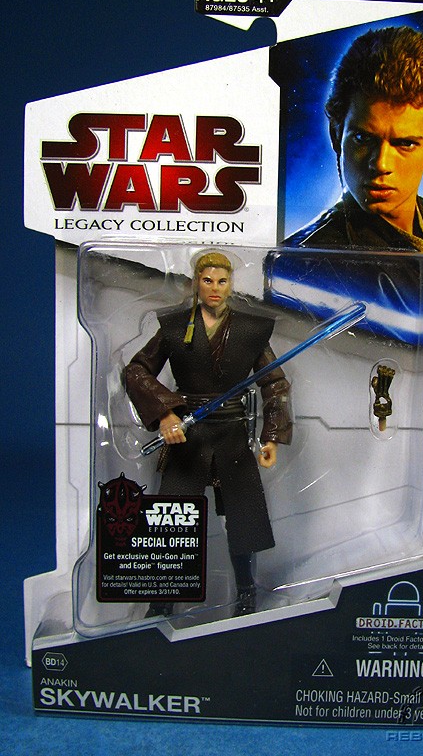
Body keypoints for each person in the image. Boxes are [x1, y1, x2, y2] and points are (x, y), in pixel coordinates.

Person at [284, 26, 423, 340]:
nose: (380, 164)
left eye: (405, 144)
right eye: (363, 139)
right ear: (337, 134)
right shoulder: (300, 266)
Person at [125, 251, 292, 616]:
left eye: (222, 281)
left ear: (231, 284)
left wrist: (272, 436)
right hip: (187, 435)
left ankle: (246, 591)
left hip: (232, 435)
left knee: (240, 519)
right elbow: (136, 371)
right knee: (173, 518)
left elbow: (275, 384)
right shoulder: (174, 327)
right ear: (196, 283)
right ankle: (162, 597)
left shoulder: (249, 329)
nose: (215, 288)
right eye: (207, 280)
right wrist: (166, 413)